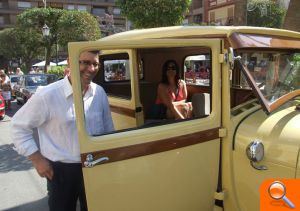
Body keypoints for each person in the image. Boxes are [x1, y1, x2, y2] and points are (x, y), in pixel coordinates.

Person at [11, 50, 115, 211]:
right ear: (70, 61)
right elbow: (18, 126)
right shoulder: (47, 95)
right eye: (85, 62)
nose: (91, 69)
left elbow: (108, 128)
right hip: (61, 172)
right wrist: (37, 160)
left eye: (95, 64)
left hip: (95, 165)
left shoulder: (99, 92)